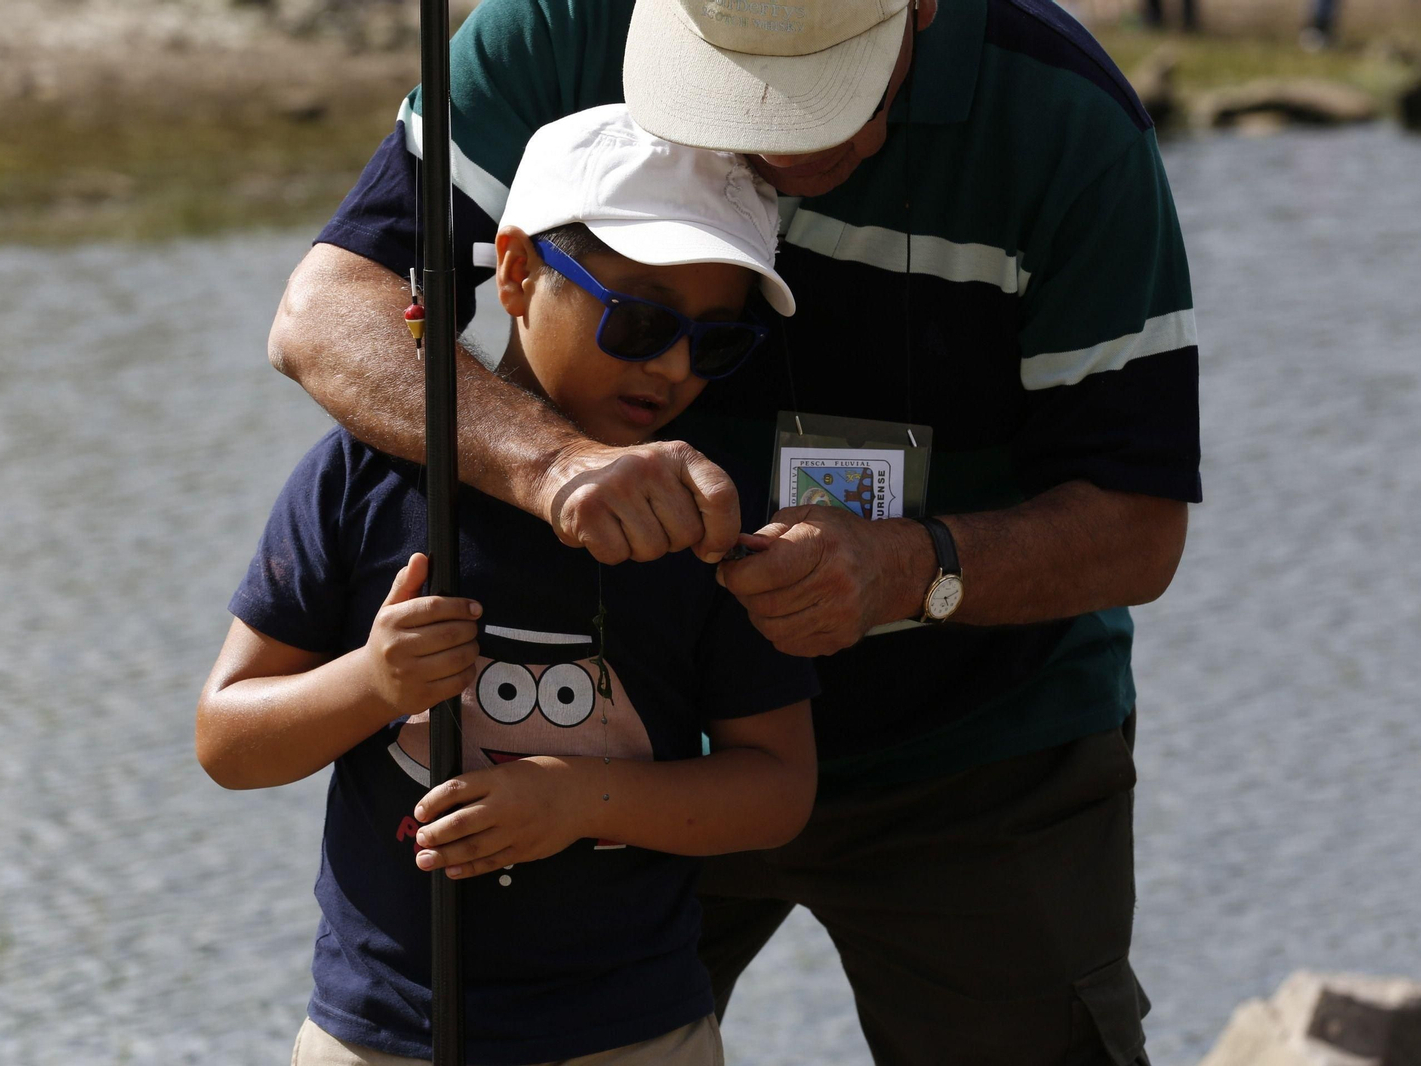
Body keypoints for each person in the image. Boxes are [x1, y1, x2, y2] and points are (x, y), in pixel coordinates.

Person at [268, 0, 1201, 1062]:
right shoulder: (555, 27)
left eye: (839, 82)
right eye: (745, 77)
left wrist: (910, 569)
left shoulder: (1066, 117)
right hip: (625, 756)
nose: (795, 135)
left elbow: (1136, 523)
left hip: (976, 756)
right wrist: (556, 465)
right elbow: (328, 309)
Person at [198, 104, 820, 1065]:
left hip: (635, 1033)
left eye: (715, 342)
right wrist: (372, 684)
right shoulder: (365, 475)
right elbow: (228, 740)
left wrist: (582, 800)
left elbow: (777, 789)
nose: (671, 366)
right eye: (642, 318)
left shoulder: (709, 512)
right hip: (381, 1033)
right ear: (520, 273)